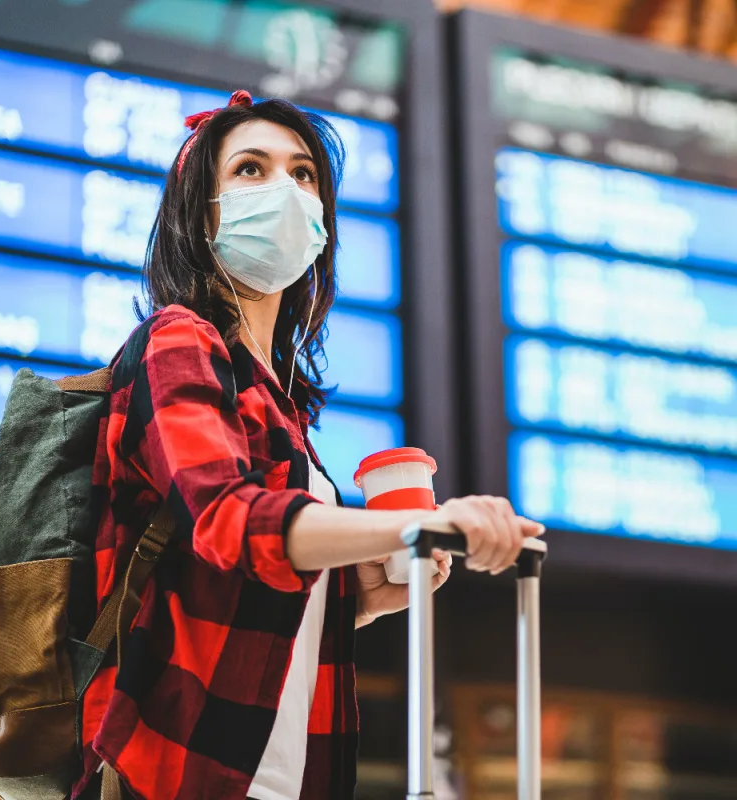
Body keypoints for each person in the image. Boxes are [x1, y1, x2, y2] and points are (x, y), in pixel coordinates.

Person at [72, 90, 544, 800]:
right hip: (175, 773)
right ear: (201, 212)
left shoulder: (278, 401)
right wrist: (414, 525)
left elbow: (236, 595)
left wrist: (361, 596)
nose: (285, 193)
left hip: (273, 778)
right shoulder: (178, 341)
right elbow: (228, 521)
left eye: (304, 175)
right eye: (251, 170)